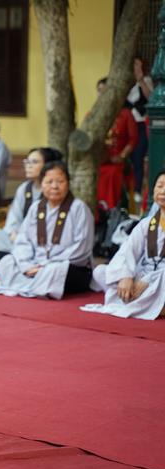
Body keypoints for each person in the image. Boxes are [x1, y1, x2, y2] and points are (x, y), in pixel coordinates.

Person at [0, 161, 94, 299]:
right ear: (41, 184)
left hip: (63, 266)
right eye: (49, 181)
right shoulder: (36, 208)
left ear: (68, 183)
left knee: (59, 271)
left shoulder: (79, 208)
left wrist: (46, 265)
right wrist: (26, 265)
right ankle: (35, 283)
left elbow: (82, 248)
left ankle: (30, 282)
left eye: (60, 181)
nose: (54, 186)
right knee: (3, 259)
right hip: (34, 265)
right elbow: (23, 241)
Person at [82, 170, 165, 320]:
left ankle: (147, 302)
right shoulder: (146, 224)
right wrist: (125, 276)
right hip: (144, 274)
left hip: (161, 278)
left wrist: (148, 281)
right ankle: (148, 303)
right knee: (100, 271)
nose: (163, 191)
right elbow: (128, 250)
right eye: (160, 186)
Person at [0, 147, 57, 258]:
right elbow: (14, 218)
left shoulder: (54, 191)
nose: (29, 165)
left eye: (34, 162)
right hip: (19, 239)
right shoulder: (24, 188)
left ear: (47, 165)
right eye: (27, 162)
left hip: (42, 241)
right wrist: (14, 234)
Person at [96, 77, 138, 210]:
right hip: (99, 161)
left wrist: (121, 156)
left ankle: (111, 210)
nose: (101, 95)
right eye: (99, 91)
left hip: (117, 162)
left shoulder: (126, 114)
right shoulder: (92, 115)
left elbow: (133, 139)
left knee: (112, 174)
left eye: (105, 91)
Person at [127, 57, 153, 202]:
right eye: (135, 64)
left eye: (139, 64)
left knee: (139, 154)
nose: (137, 67)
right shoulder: (124, 83)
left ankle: (138, 189)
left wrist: (141, 79)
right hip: (127, 123)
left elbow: (150, 97)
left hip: (141, 123)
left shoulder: (146, 80)